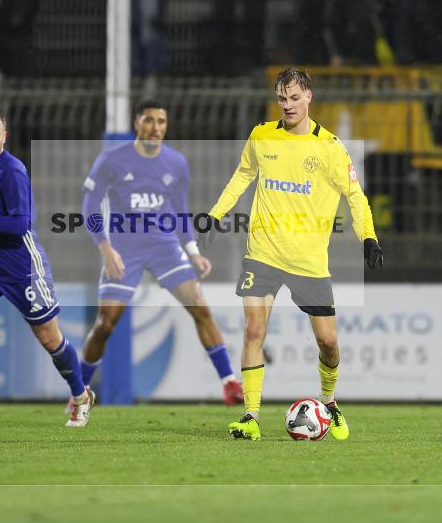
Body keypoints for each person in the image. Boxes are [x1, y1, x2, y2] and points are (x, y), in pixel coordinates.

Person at [200, 68, 383, 441]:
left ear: (309, 97)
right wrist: (215, 215)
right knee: (253, 330)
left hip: (308, 262)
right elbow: (241, 176)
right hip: (263, 253)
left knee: (328, 344)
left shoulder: (329, 148)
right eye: (282, 99)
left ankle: (328, 403)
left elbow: (355, 196)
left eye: (294, 98)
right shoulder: (261, 135)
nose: (288, 106)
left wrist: (369, 236)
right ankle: (251, 417)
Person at [78, 100, 244, 406]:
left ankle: (230, 383)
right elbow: (89, 206)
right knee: (105, 324)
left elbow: (179, 209)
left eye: (161, 122)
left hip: (165, 247)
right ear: (136, 123)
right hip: (124, 249)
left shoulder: (176, 163)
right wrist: (106, 248)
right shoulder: (112, 160)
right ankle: (79, 391)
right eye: (149, 121)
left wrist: (192, 250)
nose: (156, 128)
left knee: (200, 307)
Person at [0, 108, 94, 427]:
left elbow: (22, 223)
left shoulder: (12, 171)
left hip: (23, 267)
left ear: (5, 137)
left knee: (50, 339)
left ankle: (81, 397)